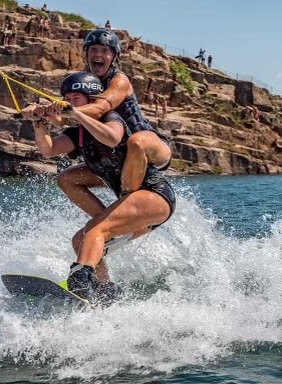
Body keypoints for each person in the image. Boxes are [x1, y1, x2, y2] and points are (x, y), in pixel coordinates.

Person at [21, 72, 176, 302]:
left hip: (155, 195)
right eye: (67, 98)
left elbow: (113, 139)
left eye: (76, 98)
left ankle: (79, 278)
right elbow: (49, 149)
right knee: (81, 236)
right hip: (130, 202)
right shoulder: (78, 133)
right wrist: (38, 123)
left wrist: (75, 114)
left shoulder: (111, 118)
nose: (70, 102)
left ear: (91, 99)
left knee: (95, 232)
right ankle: (105, 289)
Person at [60, 29, 172, 197]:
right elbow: (63, 120)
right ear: (87, 54)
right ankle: (103, 218)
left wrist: (64, 110)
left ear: (113, 57)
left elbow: (99, 108)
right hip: (121, 156)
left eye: (105, 51)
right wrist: (42, 114)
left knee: (137, 141)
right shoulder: (86, 83)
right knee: (66, 178)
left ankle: (125, 203)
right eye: (93, 50)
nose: (98, 54)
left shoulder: (119, 80)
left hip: (149, 145)